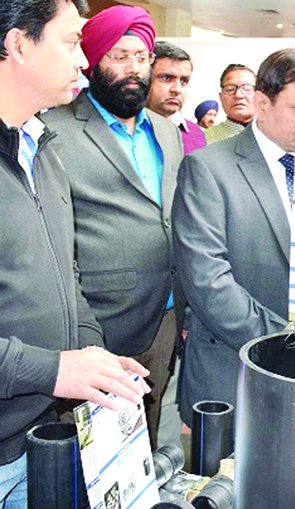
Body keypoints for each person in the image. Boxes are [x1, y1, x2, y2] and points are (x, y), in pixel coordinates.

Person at [0, 0, 149, 504]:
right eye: (70, 43)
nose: (84, 60)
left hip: (41, 435)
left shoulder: (42, 150)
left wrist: (92, 354)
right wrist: (56, 370)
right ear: (19, 44)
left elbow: (68, 275)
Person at [41, 5, 184, 450]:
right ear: (94, 59)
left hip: (165, 317)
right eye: (119, 56)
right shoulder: (54, 129)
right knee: (93, 452)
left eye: (141, 57)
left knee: (146, 439)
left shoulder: (166, 130)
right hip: (98, 326)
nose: (133, 69)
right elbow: (57, 243)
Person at [173, 48, 295, 425]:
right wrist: (289, 342)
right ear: (262, 103)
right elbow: (207, 281)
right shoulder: (208, 168)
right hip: (233, 375)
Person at [147, 41, 205, 155]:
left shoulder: (196, 133)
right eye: (167, 78)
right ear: (145, 78)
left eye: (184, 81)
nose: (177, 89)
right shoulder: (126, 129)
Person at [203, 63, 256, 144]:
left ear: (260, 96)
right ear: (221, 97)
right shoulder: (204, 139)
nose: (238, 95)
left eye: (247, 88)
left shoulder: (274, 135)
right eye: (230, 89)